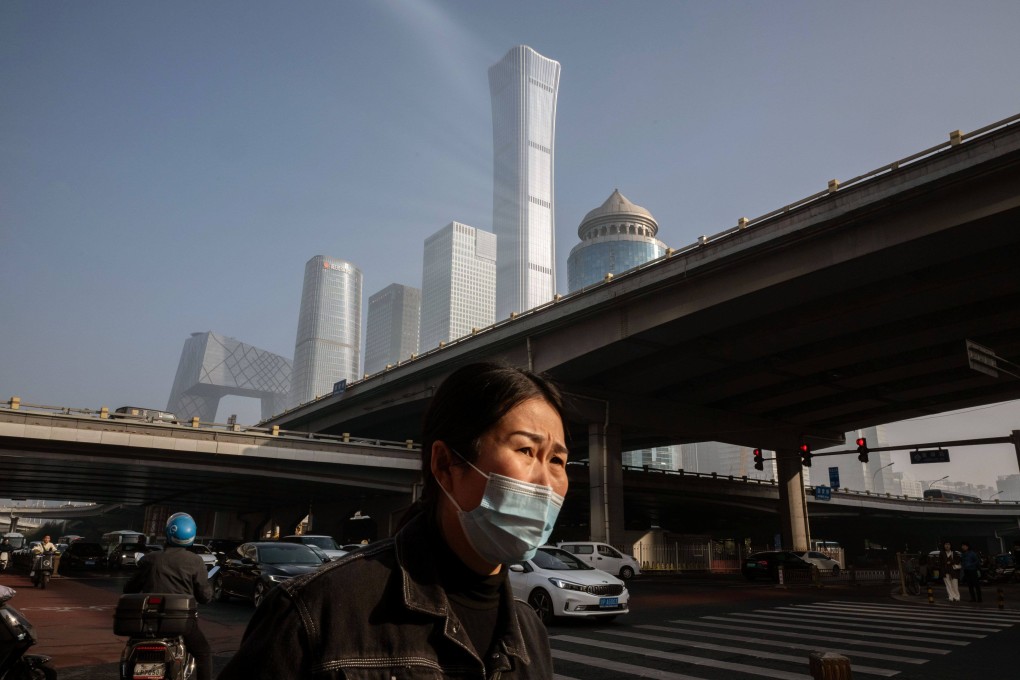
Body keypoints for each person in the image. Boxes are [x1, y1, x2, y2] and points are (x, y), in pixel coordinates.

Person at [218, 361, 569, 679]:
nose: (546, 483)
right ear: (445, 464)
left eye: (557, 460)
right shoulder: (315, 611)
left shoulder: (529, 631)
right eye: (526, 450)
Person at [125, 513, 213, 680]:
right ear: (192, 536)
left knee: (131, 648)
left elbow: (129, 589)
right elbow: (204, 597)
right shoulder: (195, 561)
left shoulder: (149, 559)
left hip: (148, 622)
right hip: (181, 623)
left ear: (168, 532)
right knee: (204, 653)